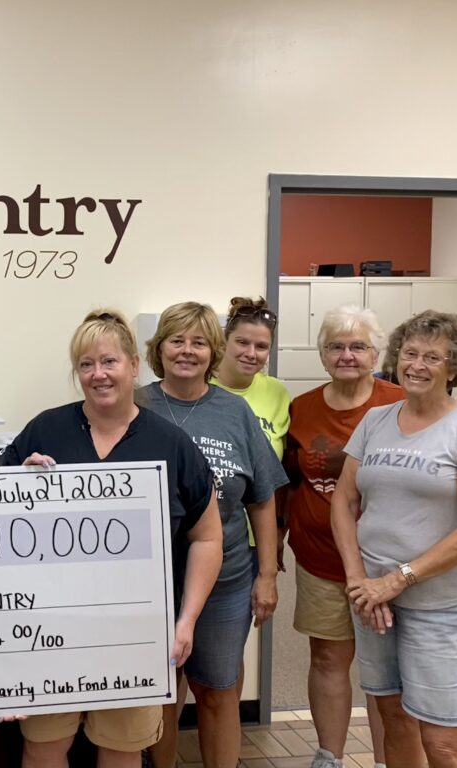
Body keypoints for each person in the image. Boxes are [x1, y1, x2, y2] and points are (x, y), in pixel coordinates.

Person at [3, 309, 224, 768]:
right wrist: (15, 488)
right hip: (51, 633)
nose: (98, 374)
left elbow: (207, 538)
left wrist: (186, 621)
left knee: (122, 749)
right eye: (86, 365)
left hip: (135, 633)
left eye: (109, 362)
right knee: (44, 746)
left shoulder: (171, 443)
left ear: (133, 365)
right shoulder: (45, 430)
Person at [332, 310, 457, 768]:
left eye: (433, 356)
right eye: (410, 353)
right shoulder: (376, 420)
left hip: (443, 610)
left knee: (444, 746)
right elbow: (344, 502)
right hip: (374, 605)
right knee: (393, 722)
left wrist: (396, 581)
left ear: (455, 367)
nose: (417, 364)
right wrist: (359, 583)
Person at [140, 303, 286, 768]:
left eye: (199, 342)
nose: (187, 351)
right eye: (177, 340)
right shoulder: (135, 404)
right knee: (161, 696)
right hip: (152, 586)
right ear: (158, 347)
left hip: (226, 581)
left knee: (219, 692)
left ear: (213, 351)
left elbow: (261, 498)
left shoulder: (235, 412)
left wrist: (267, 576)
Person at [283, 305, 406, 768]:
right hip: (319, 561)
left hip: (385, 567)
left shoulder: (398, 402)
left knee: (382, 674)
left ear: (376, 354)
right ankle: (328, 757)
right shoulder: (303, 407)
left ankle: (383, 760)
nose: (347, 355)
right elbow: (290, 479)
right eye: (336, 346)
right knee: (328, 661)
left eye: (358, 347)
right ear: (322, 353)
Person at [211, 296, 290, 458]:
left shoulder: (278, 393)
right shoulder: (200, 386)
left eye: (261, 346)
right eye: (242, 342)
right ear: (225, 340)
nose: (251, 354)